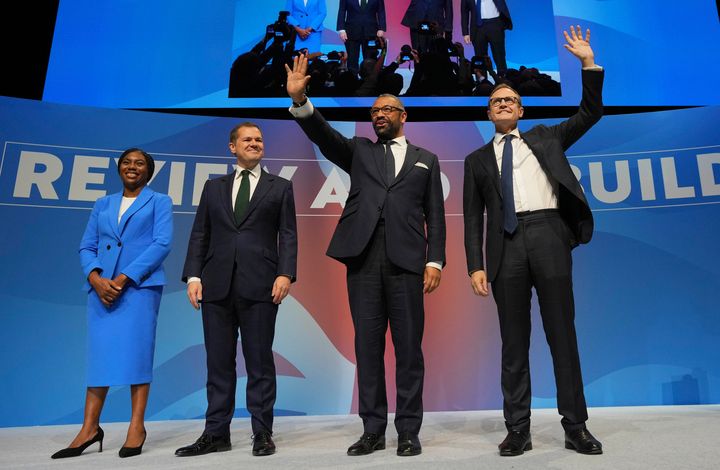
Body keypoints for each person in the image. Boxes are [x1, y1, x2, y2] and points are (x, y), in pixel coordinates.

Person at [285, 54, 446, 457]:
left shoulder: (426, 159)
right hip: (363, 261)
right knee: (367, 348)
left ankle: (408, 430)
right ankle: (373, 429)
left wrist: (435, 260)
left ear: (403, 115)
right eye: (374, 111)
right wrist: (301, 101)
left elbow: (436, 217)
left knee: (409, 350)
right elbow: (323, 135)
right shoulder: (359, 151)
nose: (378, 116)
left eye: (386, 110)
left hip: (408, 263)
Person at [463, 26, 604, 456]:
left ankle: (575, 425)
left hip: (548, 234)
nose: (502, 104)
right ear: (489, 112)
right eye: (495, 101)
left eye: (509, 100)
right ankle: (518, 428)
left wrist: (587, 65)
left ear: (520, 110)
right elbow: (472, 217)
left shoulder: (546, 137)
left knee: (562, 333)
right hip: (505, 246)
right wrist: (475, 264)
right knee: (513, 342)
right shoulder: (477, 160)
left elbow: (589, 113)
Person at [176, 122, 297, 458]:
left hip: (261, 284)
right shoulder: (213, 188)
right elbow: (200, 233)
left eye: (259, 139)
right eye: (247, 139)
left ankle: (262, 432)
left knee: (259, 362)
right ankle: (216, 432)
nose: (254, 143)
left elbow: (288, 234)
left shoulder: (280, 187)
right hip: (215, 285)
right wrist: (193, 277)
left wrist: (286, 273)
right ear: (232, 147)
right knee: (218, 363)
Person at [51, 148, 173, 459]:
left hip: (139, 287)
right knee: (99, 357)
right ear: (119, 169)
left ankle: (137, 427)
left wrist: (123, 278)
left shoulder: (160, 202)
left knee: (137, 354)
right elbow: (86, 245)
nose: (133, 167)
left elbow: (162, 244)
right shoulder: (102, 204)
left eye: (140, 163)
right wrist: (95, 278)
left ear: (149, 170)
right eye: (127, 163)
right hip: (101, 289)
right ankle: (89, 428)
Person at [461, 0, 512, 75]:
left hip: (495, 24)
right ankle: (483, 83)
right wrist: (465, 33)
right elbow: (464, 12)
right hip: (477, 27)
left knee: (499, 56)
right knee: (479, 59)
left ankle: (502, 82)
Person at [337, 0, 387, 75]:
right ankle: (353, 81)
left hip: (371, 32)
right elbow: (342, 10)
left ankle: (369, 82)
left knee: (370, 61)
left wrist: (381, 28)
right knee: (352, 60)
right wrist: (341, 29)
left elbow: (381, 11)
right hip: (351, 32)